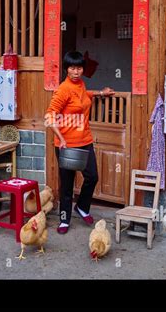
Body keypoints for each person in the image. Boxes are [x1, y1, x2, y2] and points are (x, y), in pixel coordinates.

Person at [45, 51, 115, 234]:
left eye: (79, 68)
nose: (76, 72)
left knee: (92, 177)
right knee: (67, 184)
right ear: (67, 69)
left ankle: (82, 207)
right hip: (66, 144)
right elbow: (50, 116)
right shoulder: (63, 89)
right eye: (72, 68)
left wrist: (100, 93)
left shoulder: (81, 84)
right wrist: (61, 139)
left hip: (85, 140)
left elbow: (83, 97)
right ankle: (64, 220)